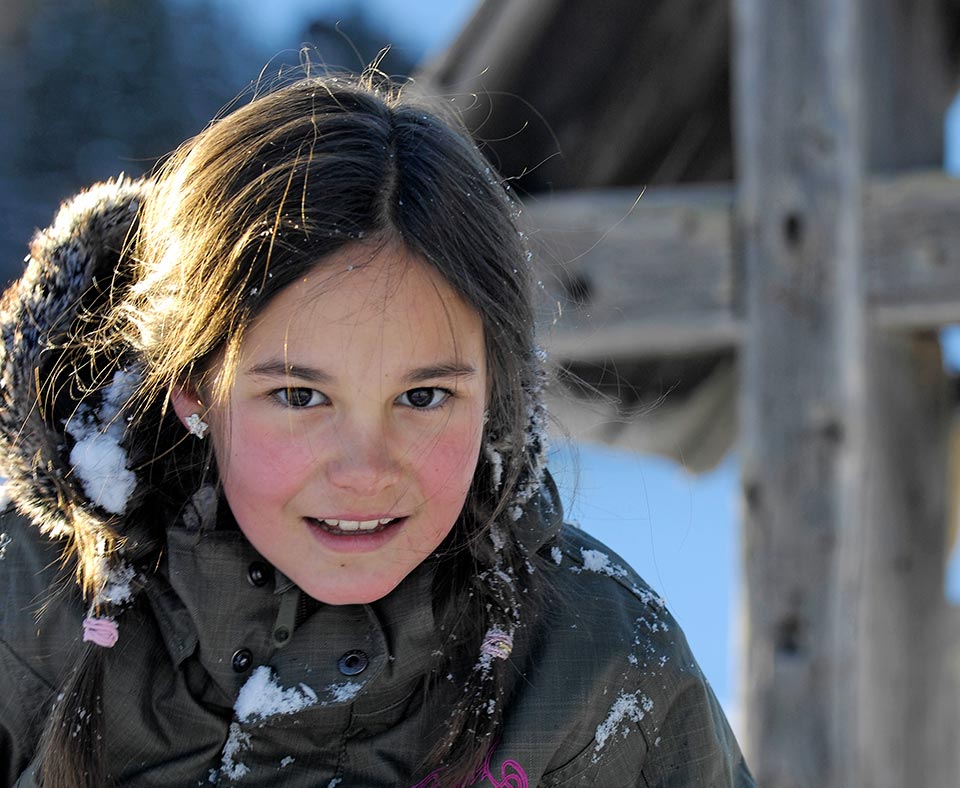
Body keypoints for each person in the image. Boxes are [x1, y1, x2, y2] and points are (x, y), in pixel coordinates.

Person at [0, 73, 754, 787]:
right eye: (300, 396)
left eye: (423, 396)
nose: (366, 469)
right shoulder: (23, 612)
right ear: (194, 388)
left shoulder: (601, 666)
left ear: (495, 390)